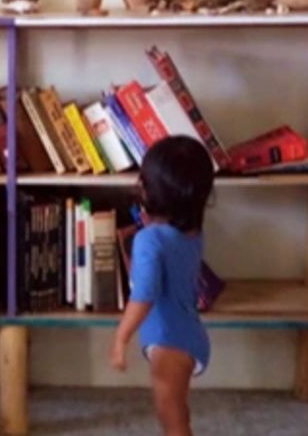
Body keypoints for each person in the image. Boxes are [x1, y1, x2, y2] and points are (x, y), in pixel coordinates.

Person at [109, 136, 215, 436]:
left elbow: (143, 295)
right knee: (176, 410)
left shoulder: (149, 240)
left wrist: (121, 336)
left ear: (148, 191)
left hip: (170, 342)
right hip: (187, 333)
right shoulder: (192, 232)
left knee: (172, 418)